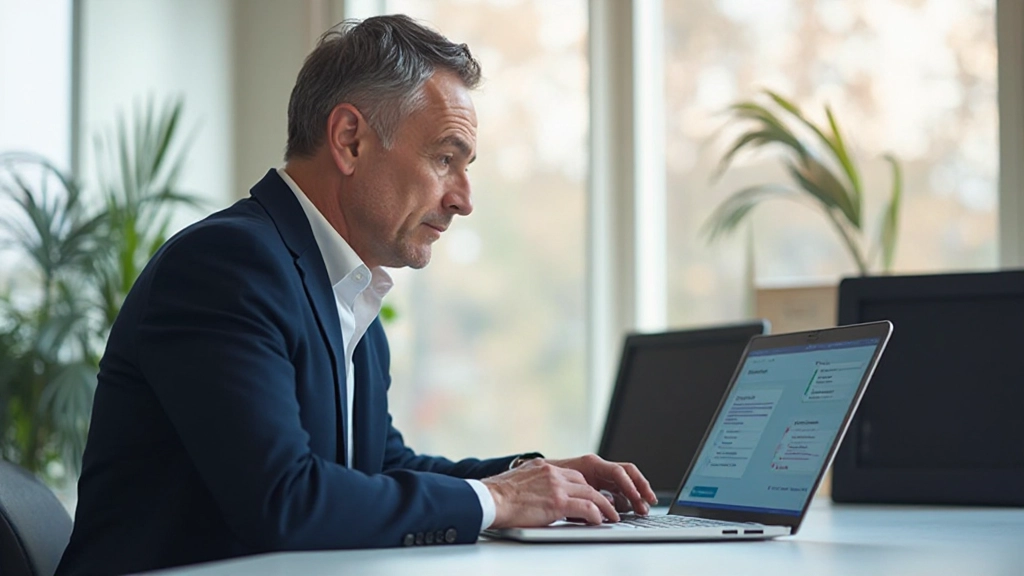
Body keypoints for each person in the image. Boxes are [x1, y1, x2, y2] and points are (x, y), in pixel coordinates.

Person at [56, 14, 657, 576]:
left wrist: (532, 477)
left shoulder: (348, 288)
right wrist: (498, 500)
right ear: (348, 139)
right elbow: (284, 501)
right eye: (445, 158)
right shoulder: (226, 267)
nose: (463, 199)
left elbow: (378, 470)